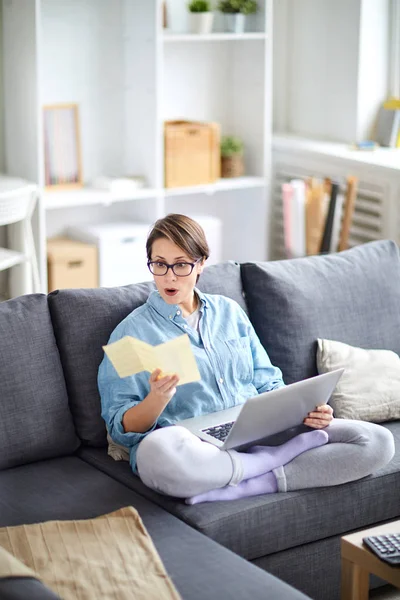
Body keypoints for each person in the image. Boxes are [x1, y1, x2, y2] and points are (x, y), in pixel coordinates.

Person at [98, 214, 395, 504]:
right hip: (194, 446)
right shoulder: (130, 334)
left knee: (377, 442)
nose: (169, 276)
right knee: (156, 454)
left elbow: (268, 382)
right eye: (159, 264)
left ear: (201, 263)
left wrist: (309, 410)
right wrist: (157, 399)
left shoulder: (228, 312)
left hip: (258, 430)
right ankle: (275, 464)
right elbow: (120, 430)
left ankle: (247, 482)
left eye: (181, 265)